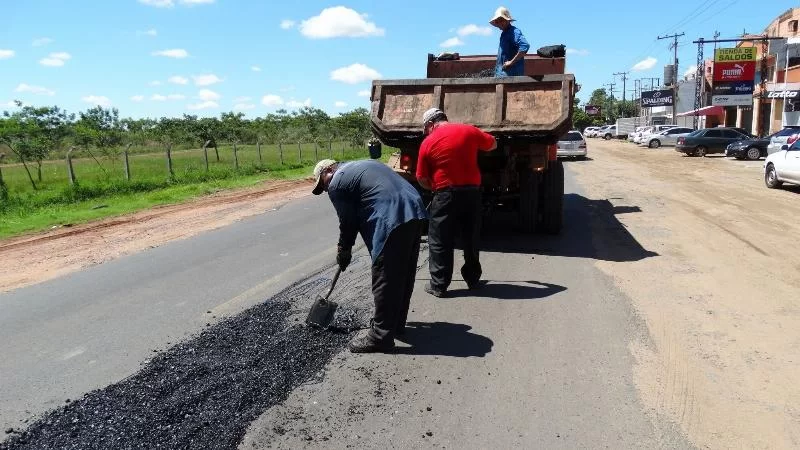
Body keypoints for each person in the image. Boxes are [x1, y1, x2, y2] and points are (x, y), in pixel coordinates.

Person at [312, 158, 428, 353]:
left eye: (323, 183)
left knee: (385, 277)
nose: (326, 189)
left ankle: (380, 336)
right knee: (403, 273)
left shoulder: (337, 182)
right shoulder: (361, 165)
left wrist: (344, 249)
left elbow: (348, 222)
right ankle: (395, 324)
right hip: (413, 209)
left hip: (392, 215)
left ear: (329, 170)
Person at [416, 108, 497, 298]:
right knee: (471, 237)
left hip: (445, 194)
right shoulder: (468, 130)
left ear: (430, 124)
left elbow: (421, 177)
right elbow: (492, 144)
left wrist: (434, 188)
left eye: (425, 129)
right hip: (472, 194)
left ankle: (439, 285)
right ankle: (473, 279)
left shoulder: (428, 142)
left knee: (439, 240)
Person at [489, 6, 530, 77]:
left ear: (507, 20)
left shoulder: (514, 32)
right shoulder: (504, 34)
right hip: (502, 75)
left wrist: (511, 62)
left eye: (500, 20)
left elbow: (524, 46)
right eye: (497, 21)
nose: (498, 23)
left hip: (511, 77)